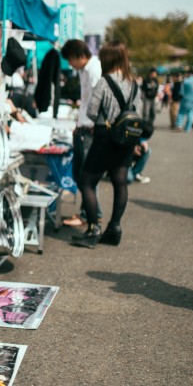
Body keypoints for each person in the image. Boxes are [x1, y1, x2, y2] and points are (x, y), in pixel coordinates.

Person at [71, 41, 142, 248]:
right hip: (126, 139)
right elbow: (137, 113)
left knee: (87, 182)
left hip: (104, 136)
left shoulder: (104, 82)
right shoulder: (134, 83)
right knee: (120, 182)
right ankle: (115, 227)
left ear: (107, 59)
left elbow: (92, 111)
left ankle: (93, 229)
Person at [60, 39, 102, 228]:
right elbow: (85, 101)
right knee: (82, 175)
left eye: (70, 59)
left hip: (90, 128)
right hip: (84, 126)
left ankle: (90, 214)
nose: (70, 64)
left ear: (79, 55)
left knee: (86, 176)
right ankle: (90, 213)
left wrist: (92, 123)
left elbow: (96, 99)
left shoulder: (94, 69)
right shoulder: (85, 70)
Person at [141, 68, 159, 133]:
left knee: (153, 112)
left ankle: (150, 124)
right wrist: (142, 96)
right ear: (151, 73)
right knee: (146, 112)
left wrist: (157, 95)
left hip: (153, 98)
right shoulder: (146, 80)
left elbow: (157, 88)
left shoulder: (156, 80)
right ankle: (145, 124)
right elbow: (142, 88)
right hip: (147, 98)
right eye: (154, 73)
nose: (155, 75)